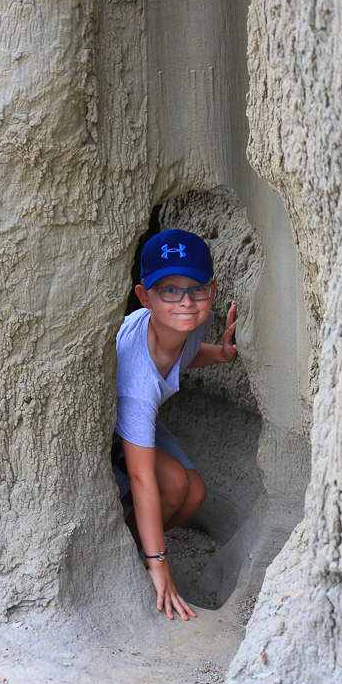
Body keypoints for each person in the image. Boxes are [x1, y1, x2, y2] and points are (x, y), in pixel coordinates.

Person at [114, 228, 238, 621]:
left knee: (194, 492)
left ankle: (134, 542)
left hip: (146, 421)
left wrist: (221, 354)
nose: (185, 301)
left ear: (211, 291)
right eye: (169, 290)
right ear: (144, 297)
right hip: (113, 428)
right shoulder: (137, 381)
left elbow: (183, 354)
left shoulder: (195, 320)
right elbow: (142, 478)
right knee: (170, 483)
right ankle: (134, 561)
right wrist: (161, 565)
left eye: (196, 288)